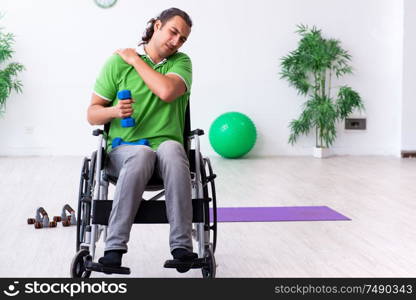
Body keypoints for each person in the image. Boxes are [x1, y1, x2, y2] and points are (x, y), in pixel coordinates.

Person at [87, 7, 197, 269]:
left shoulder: (181, 63)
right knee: (142, 153)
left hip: (168, 156)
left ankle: (182, 247)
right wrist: (114, 111)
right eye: (173, 32)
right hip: (124, 152)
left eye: (182, 38)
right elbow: (92, 114)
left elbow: (167, 91)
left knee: (171, 148)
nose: (176, 41)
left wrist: (136, 60)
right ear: (157, 25)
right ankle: (113, 249)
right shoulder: (116, 64)